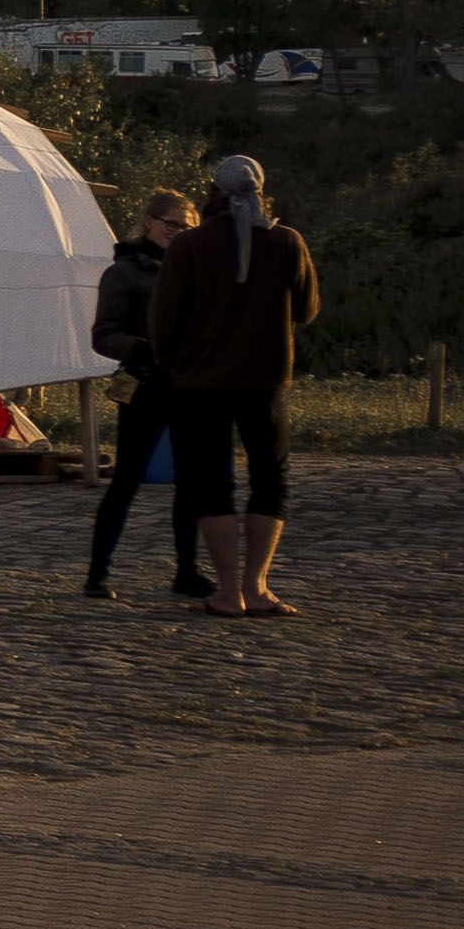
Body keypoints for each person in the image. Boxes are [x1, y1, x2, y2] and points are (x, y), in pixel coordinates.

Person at [155, 153, 318, 618]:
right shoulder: (286, 242)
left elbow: (165, 322)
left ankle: (228, 591)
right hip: (265, 380)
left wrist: (173, 365)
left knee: (213, 480)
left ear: (214, 192)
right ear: (261, 193)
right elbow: (306, 310)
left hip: (201, 383)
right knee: (270, 476)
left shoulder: (190, 245)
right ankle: (257, 586)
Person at [81, 188, 213, 604]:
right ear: (149, 222)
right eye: (171, 224)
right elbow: (104, 335)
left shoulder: (196, 270)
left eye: (186, 227)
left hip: (190, 386)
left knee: (191, 482)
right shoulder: (125, 273)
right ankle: (97, 574)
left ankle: (188, 571)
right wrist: (148, 350)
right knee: (126, 480)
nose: (178, 232)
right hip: (145, 385)